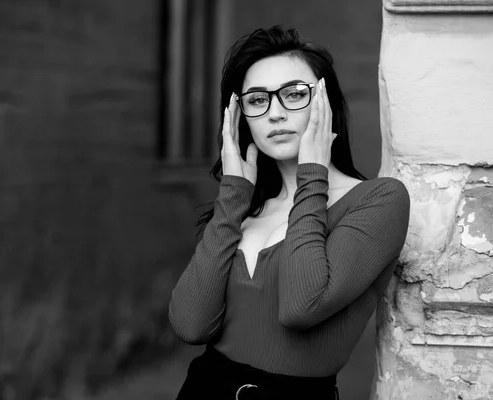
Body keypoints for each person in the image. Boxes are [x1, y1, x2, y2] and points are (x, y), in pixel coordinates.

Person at [168, 25, 410, 400]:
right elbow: (190, 324)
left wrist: (312, 177)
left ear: (326, 103)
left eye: (294, 94)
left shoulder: (379, 201)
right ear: (240, 116)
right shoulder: (244, 207)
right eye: (257, 100)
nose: (275, 113)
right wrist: (232, 197)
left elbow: (302, 306)